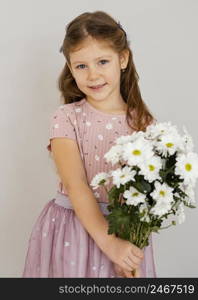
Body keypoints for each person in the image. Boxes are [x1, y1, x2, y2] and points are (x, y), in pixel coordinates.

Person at [22, 10, 157, 278]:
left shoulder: (145, 123)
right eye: (81, 66)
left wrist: (128, 247)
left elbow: (148, 194)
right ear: (71, 68)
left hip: (125, 232)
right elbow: (76, 185)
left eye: (102, 61)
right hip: (74, 231)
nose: (92, 75)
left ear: (123, 59)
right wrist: (110, 244)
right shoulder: (66, 118)